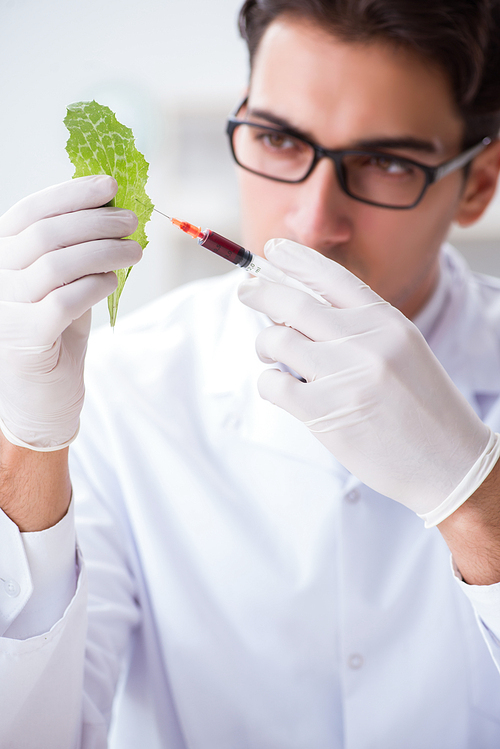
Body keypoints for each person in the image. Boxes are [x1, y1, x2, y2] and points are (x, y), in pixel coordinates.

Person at [1, 0, 500, 746]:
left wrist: (477, 500)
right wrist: (27, 444)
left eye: (385, 161)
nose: (311, 220)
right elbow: (39, 729)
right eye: (276, 138)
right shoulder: (121, 388)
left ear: (478, 184)